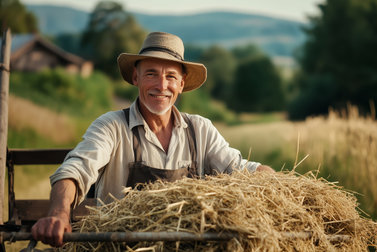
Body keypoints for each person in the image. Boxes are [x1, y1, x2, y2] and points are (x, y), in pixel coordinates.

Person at [31, 32, 275, 247]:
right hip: (120, 246)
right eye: (151, 74)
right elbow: (76, 169)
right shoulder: (112, 126)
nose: (161, 85)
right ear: (136, 78)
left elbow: (241, 171)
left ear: (181, 84)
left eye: (170, 76)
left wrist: (273, 181)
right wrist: (59, 213)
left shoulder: (200, 130)